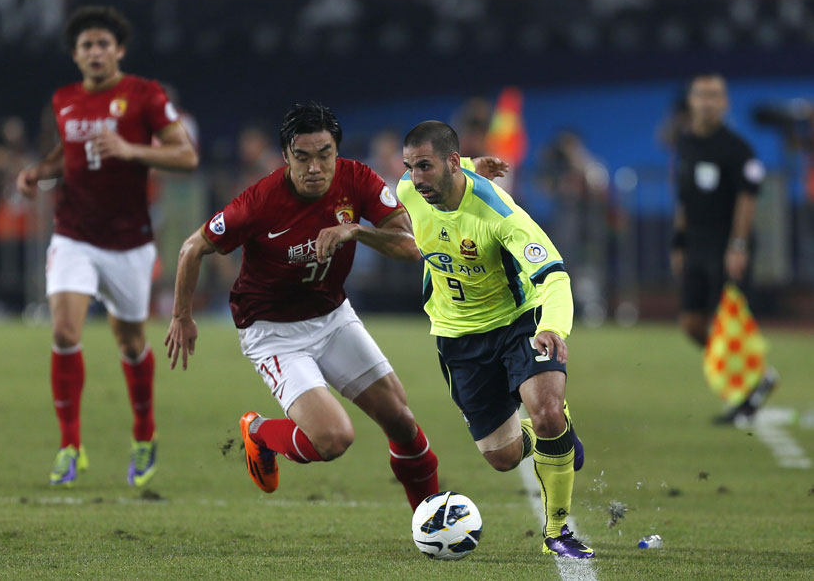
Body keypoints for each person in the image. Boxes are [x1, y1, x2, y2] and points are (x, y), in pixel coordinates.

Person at [163, 103, 510, 511]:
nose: (315, 167)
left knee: (400, 420)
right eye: (302, 157)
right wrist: (182, 316)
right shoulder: (260, 201)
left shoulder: (357, 179)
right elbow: (192, 248)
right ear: (285, 156)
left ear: (337, 152)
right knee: (333, 438)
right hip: (272, 331)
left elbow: (409, 246)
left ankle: (429, 519)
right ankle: (258, 432)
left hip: (332, 317)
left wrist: (356, 231)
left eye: (324, 154)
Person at [16, 6, 198, 487]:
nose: (95, 52)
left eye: (102, 44)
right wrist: (38, 172)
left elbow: (186, 156)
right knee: (63, 332)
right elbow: (67, 154)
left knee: (131, 342)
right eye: (86, 46)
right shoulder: (64, 100)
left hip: (129, 242)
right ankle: (69, 446)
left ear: (119, 50)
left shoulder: (145, 94)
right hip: (73, 234)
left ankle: (144, 434)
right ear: (75, 55)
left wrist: (131, 149)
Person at [397, 121, 593, 559]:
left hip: (519, 322)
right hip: (457, 336)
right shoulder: (408, 191)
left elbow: (555, 275)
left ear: (449, 162)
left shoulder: (500, 214)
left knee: (547, 413)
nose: (416, 177)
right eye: (410, 167)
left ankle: (558, 531)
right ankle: (555, 435)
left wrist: (553, 326)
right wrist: (469, 164)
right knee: (503, 457)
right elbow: (440, 171)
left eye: (425, 166)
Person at [670, 74, 777, 424]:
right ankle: (758, 375)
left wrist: (738, 245)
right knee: (691, 323)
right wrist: (679, 243)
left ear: (725, 103)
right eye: (701, 95)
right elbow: (683, 199)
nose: (707, 102)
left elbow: (747, 199)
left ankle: (748, 389)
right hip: (696, 244)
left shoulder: (736, 148)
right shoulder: (686, 144)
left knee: (727, 322)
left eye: (715, 95)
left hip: (725, 244)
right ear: (691, 100)